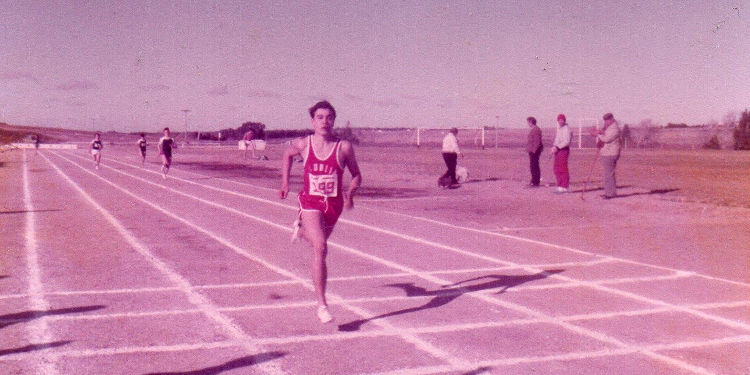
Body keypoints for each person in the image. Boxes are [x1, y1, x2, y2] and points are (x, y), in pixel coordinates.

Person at [280, 100, 362, 323]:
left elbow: (356, 175)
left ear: (333, 120)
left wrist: (350, 194)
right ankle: (322, 305)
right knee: (321, 247)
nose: (324, 121)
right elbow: (287, 155)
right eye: (320, 117)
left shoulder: (343, 147)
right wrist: (286, 183)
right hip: (310, 202)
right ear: (312, 121)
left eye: (329, 117)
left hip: (333, 205)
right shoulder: (304, 144)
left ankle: (300, 229)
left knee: (319, 245)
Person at [593, 112, 621, 199]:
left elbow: (607, 139)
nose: (606, 122)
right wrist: (600, 132)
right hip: (606, 152)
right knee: (607, 174)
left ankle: (611, 194)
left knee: (609, 174)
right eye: (605, 121)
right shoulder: (609, 127)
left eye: (607, 120)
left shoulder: (615, 128)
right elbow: (605, 134)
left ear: (612, 119)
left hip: (611, 153)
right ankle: (608, 192)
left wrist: (598, 134)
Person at [551, 113, 571, 193]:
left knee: (563, 168)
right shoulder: (559, 128)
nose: (560, 121)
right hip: (557, 150)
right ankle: (559, 185)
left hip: (563, 150)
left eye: (562, 120)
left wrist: (558, 147)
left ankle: (564, 186)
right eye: (559, 120)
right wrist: (554, 147)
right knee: (556, 168)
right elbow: (557, 139)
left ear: (564, 120)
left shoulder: (566, 129)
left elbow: (566, 141)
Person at [526, 116, 543, 187]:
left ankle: (535, 182)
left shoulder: (536, 129)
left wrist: (534, 151)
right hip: (532, 150)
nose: (527, 124)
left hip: (534, 151)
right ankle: (534, 180)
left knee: (534, 166)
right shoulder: (533, 129)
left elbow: (537, 141)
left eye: (528, 122)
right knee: (532, 166)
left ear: (531, 122)